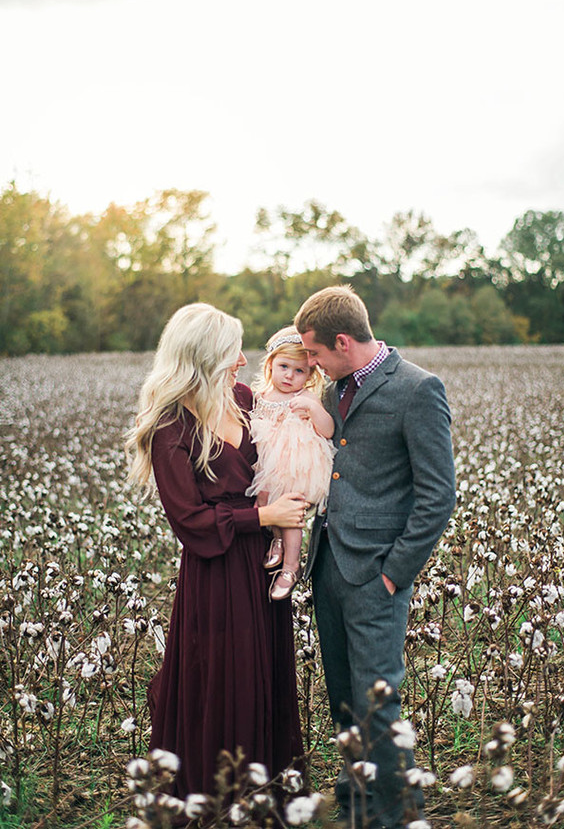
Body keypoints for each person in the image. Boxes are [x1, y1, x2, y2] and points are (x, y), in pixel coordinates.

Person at [125, 303, 306, 803]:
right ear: (204, 358)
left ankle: (263, 787)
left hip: (261, 563)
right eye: (232, 352)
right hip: (216, 569)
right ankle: (219, 792)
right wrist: (264, 519)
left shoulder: (244, 397)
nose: (243, 360)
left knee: (263, 670)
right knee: (226, 674)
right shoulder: (170, 428)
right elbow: (190, 523)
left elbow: (289, 439)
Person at [294, 286, 456, 829]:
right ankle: (357, 794)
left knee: (378, 699)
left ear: (343, 341)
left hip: (377, 575)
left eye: (314, 352)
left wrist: (394, 575)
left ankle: (395, 813)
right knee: (342, 694)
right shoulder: (335, 388)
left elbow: (438, 496)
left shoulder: (417, 389)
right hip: (328, 565)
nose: (310, 363)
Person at [246, 326, 335, 600]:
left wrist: (313, 410)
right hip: (265, 462)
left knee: (291, 514)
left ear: (309, 376)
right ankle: (277, 540)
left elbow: (328, 429)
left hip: (296, 463)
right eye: (284, 366)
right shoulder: (258, 397)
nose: (289, 376)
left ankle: (291, 566)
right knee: (265, 502)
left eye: (299, 371)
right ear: (270, 364)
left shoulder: (305, 397)